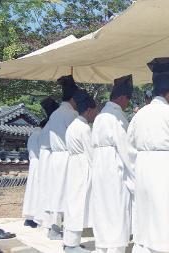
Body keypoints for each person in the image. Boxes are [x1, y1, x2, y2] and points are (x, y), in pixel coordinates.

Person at [127, 57, 169, 253]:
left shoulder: (139, 115)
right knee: (164, 217)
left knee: (145, 215)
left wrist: (134, 173)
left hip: (142, 167)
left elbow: (129, 148)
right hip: (165, 169)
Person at [91, 75, 134, 253]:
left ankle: (102, 247)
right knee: (117, 208)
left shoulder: (100, 116)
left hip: (100, 166)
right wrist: (134, 175)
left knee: (102, 207)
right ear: (122, 98)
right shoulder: (117, 117)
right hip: (114, 167)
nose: (127, 105)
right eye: (128, 101)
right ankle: (115, 248)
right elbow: (125, 149)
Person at [63, 90, 98, 253]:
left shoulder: (72, 126)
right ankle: (72, 244)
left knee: (72, 203)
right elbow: (91, 153)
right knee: (78, 204)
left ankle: (70, 241)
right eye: (95, 110)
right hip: (82, 167)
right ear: (89, 110)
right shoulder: (84, 128)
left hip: (72, 165)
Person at [48, 75, 79, 238]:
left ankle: (54, 226)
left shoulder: (55, 114)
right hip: (67, 156)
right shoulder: (71, 115)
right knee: (68, 192)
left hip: (56, 157)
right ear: (74, 98)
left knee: (57, 191)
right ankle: (63, 229)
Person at [22, 99, 58, 228]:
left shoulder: (34, 133)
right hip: (39, 163)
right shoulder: (40, 134)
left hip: (35, 163)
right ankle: (34, 217)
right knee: (37, 191)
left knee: (33, 191)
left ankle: (31, 217)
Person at [33, 98, 59, 235]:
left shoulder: (48, 125)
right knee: (51, 191)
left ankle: (44, 220)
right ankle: (50, 223)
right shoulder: (52, 125)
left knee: (45, 190)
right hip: (49, 158)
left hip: (45, 158)